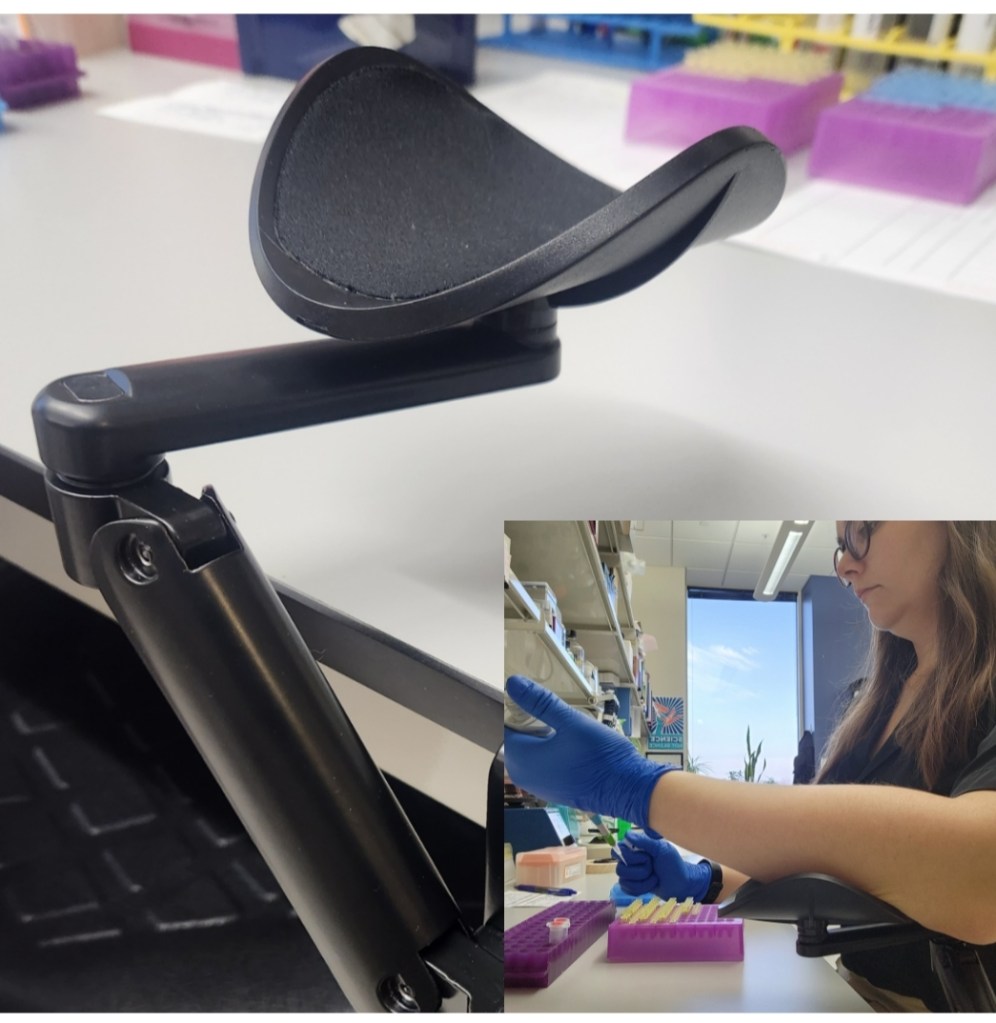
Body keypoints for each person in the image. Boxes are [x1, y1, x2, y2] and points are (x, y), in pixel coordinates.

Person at [504, 521, 996, 1012]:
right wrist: (707, 880)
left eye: (863, 530)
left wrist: (640, 788)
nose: (846, 565)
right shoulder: (879, 702)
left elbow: (979, 873)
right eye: (840, 546)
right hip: (852, 993)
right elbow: (831, 867)